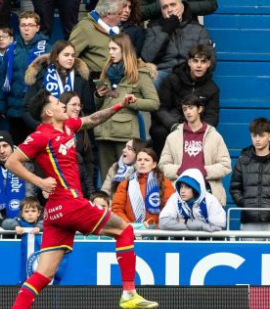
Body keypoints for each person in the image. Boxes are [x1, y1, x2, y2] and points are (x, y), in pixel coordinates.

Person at [0, 90, 159, 309]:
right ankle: (129, 291)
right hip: (69, 203)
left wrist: (119, 105)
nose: (64, 106)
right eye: (58, 104)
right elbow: (11, 160)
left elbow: (92, 119)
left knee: (44, 274)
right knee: (125, 229)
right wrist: (40, 182)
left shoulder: (68, 126)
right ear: (48, 112)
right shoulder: (41, 135)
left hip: (56, 213)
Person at [95, 33, 160, 178]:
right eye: (109, 49)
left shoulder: (140, 74)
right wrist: (99, 95)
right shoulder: (106, 72)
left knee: (127, 180)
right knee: (107, 180)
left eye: (114, 49)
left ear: (124, 50)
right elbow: (100, 105)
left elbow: (154, 103)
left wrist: (134, 101)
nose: (110, 53)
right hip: (104, 132)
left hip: (125, 135)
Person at [159, 94, 231, 206]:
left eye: (191, 108)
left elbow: (225, 166)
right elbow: (162, 166)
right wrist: (180, 170)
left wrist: (203, 171)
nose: (188, 112)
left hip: (208, 192)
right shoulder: (173, 137)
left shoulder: (214, 136)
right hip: (179, 194)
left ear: (200, 109)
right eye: (185, 109)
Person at [150, 43, 218, 155]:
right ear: (189, 62)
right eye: (195, 61)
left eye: (203, 61)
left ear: (208, 64)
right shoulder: (172, 79)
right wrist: (174, 125)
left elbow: (212, 116)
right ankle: (161, 169)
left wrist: (198, 129)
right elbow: (161, 108)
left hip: (196, 127)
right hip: (172, 125)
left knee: (211, 138)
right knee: (158, 132)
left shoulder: (212, 88)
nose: (199, 65)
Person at [140, 0, 213, 87]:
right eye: (164, 7)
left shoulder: (198, 29)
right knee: (149, 82)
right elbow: (147, 57)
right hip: (163, 73)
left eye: (173, 5)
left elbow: (210, 59)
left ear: (182, 7)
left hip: (190, 74)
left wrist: (193, 71)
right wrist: (166, 31)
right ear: (161, 11)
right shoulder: (154, 28)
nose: (169, 10)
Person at [22, 40, 95, 130]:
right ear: (56, 56)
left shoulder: (80, 78)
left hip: (74, 132)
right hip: (47, 132)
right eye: (66, 55)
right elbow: (26, 109)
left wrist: (77, 126)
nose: (70, 58)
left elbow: (88, 109)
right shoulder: (41, 76)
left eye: (73, 55)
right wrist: (40, 127)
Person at [0, 131, 34, 226]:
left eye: (5, 146)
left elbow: (29, 195)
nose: (2, 151)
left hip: (23, 216)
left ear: (12, 147)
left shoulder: (26, 167)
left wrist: (20, 219)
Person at [111, 147, 174, 228]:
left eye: (146, 160)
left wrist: (154, 227)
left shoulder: (164, 183)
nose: (142, 163)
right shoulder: (125, 183)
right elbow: (117, 208)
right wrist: (129, 226)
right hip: (130, 231)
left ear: (154, 164)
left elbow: (170, 209)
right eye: (139, 160)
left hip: (157, 233)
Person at [69, 0, 127, 77]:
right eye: (119, 13)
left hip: (118, 76)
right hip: (97, 81)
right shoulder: (85, 28)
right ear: (108, 14)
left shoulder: (115, 30)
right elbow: (68, 55)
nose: (122, 16)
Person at [159, 167, 226, 232]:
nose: (182, 191)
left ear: (195, 189)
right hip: (182, 241)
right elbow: (164, 223)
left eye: (187, 187)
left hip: (207, 242)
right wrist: (188, 224)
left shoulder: (210, 200)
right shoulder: (175, 199)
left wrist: (199, 225)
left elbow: (217, 227)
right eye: (181, 187)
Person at [61, 91, 97, 196]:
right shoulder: (53, 128)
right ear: (63, 106)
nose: (78, 108)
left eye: (79, 105)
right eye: (74, 105)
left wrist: (89, 191)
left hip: (81, 188)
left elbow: (88, 160)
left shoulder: (81, 127)